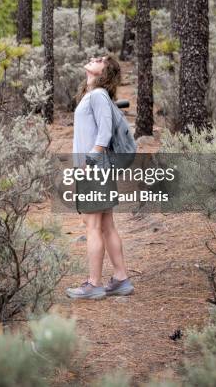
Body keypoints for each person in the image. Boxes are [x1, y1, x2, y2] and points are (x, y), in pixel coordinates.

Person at [66, 54, 135, 300]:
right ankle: (120, 279)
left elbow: (104, 132)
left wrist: (90, 161)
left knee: (93, 226)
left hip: (95, 169)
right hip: (98, 168)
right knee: (105, 225)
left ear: (105, 71)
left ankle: (94, 284)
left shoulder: (97, 96)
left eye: (101, 59)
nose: (94, 58)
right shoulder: (94, 95)